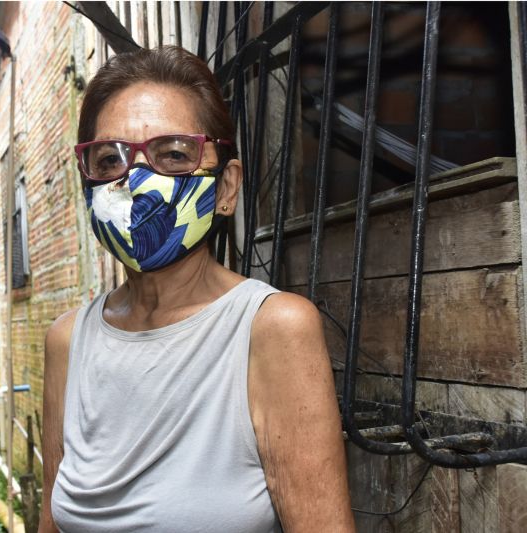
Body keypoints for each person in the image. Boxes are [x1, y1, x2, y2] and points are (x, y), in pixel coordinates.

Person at [40, 46, 354, 533]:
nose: (138, 181)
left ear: (227, 188)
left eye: (173, 155)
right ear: (89, 184)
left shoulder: (270, 329)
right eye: (110, 159)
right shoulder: (68, 341)